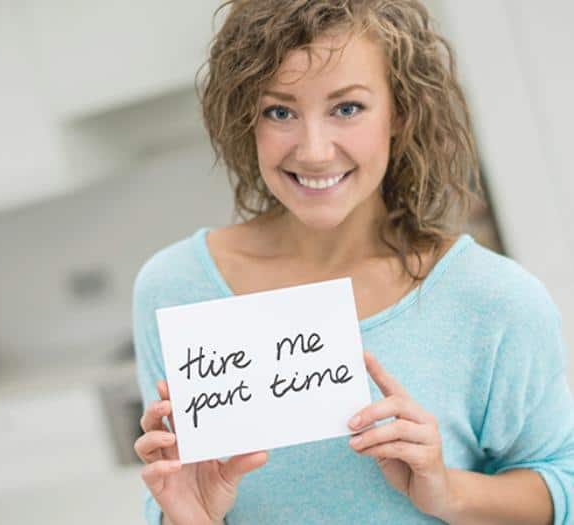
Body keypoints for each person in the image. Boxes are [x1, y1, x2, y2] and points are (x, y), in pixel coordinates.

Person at [131, 1, 574, 523]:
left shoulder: (495, 300)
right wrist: (189, 515)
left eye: (347, 108)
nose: (315, 151)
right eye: (280, 111)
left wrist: (447, 490)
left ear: (400, 113)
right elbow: (174, 495)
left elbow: (561, 482)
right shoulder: (173, 288)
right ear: (246, 118)